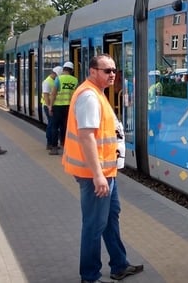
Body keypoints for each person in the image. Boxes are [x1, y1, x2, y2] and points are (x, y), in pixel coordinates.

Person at [62, 54, 143, 283]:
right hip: (94, 175)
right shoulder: (89, 95)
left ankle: (119, 265)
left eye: (114, 70)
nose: (112, 75)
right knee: (94, 225)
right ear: (93, 71)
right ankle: (89, 276)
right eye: (107, 70)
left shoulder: (97, 93)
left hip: (107, 173)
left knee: (110, 218)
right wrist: (98, 176)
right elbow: (86, 136)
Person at [49, 61, 77, 156]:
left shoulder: (58, 79)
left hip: (57, 106)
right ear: (72, 70)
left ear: (63, 69)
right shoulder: (75, 80)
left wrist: (50, 106)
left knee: (54, 127)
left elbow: (53, 93)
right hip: (69, 107)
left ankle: (54, 148)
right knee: (65, 127)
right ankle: (65, 146)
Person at [43, 66, 62, 150]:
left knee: (52, 124)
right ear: (54, 73)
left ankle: (51, 143)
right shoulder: (47, 82)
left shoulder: (54, 80)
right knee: (51, 125)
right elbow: (46, 95)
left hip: (52, 105)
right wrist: (49, 106)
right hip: (48, 106)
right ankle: (49, 143)